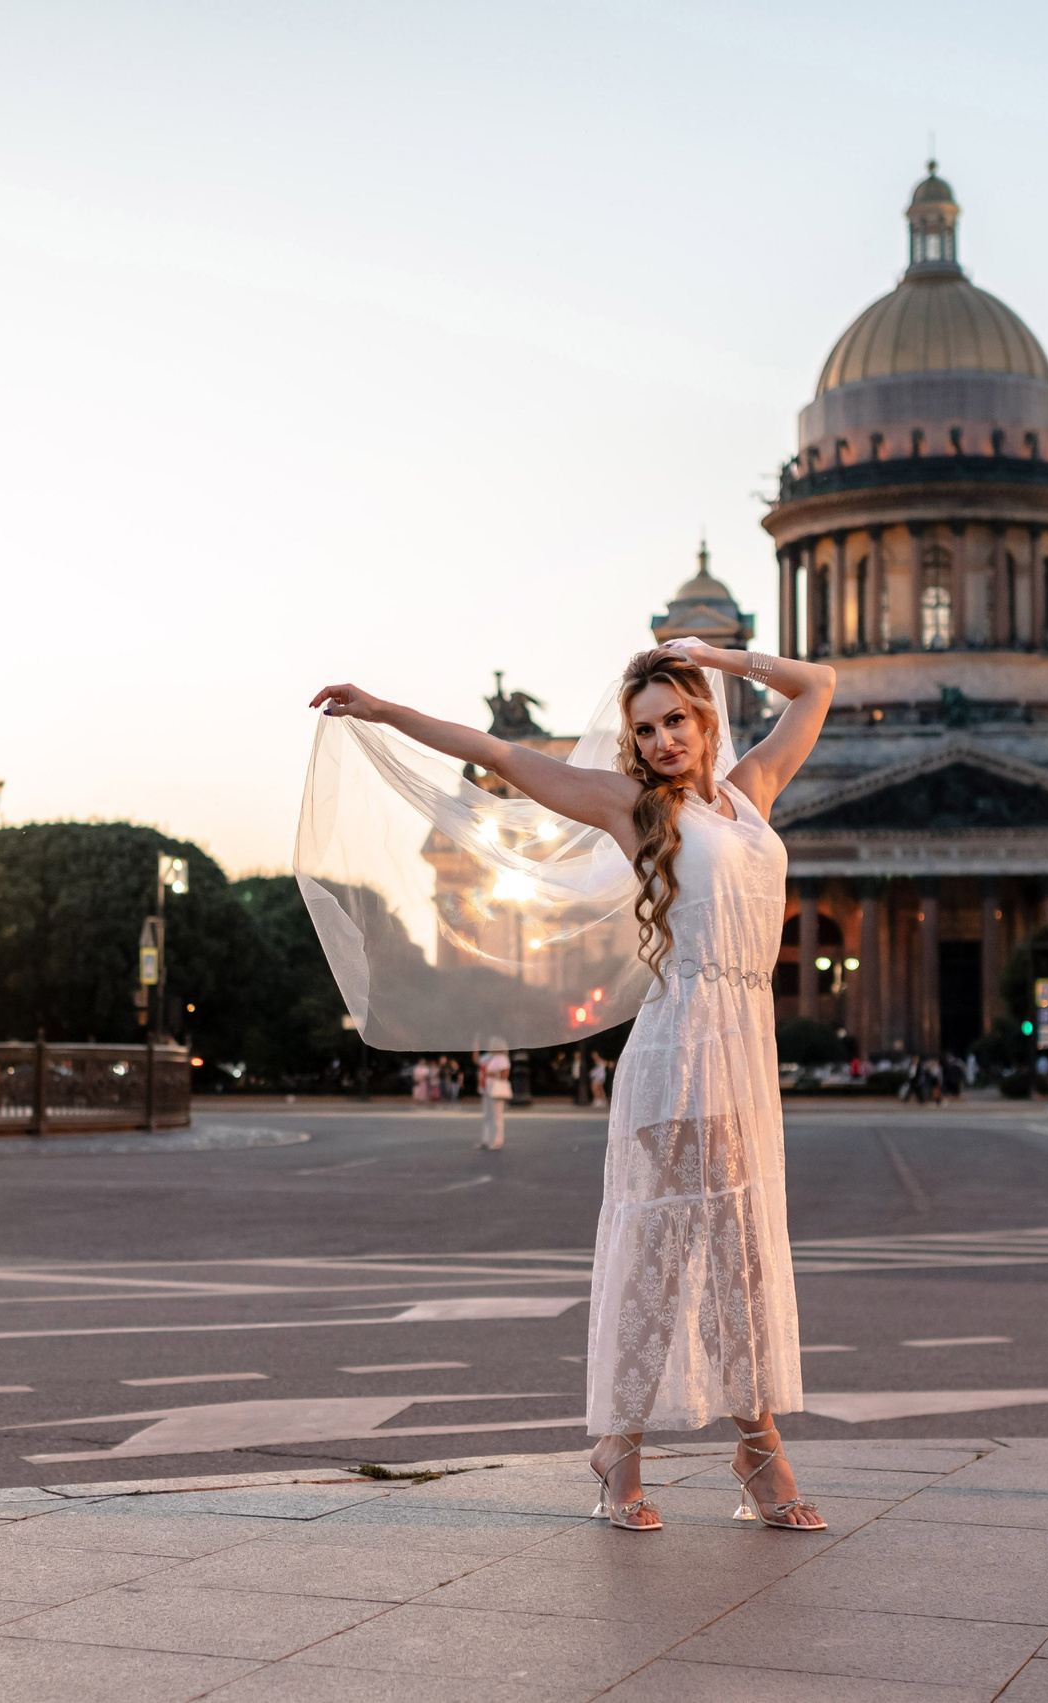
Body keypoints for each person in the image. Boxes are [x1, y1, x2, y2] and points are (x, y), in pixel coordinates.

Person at [313, 636, 836, 1534]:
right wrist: (385, 709)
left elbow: (818, 684)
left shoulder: (751, 794)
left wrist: (712, 652)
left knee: (742, 1262)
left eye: (678, 718)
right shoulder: (634, 806)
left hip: (746, 1054)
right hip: (679, 1052)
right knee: (668, 1265)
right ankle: (659, 1452)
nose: (666, 739)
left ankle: (736, 1450)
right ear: (631, 742)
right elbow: (499, 753)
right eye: (647, 728)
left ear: (705, 718)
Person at [477, 1038, 512, 1150]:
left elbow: (504, 1075)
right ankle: (486, 1140)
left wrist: (490, 1074)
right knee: (487, 1115)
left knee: (497, 1116)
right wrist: (475, 1046)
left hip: (496, 1089)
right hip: (487, 1088)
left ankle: (497, 1141)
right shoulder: (488, 1057)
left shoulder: (502, 1058)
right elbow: (477, 1061)